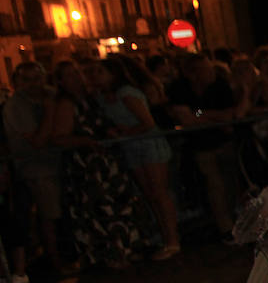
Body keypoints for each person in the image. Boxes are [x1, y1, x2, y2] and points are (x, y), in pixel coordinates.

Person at [49, 61, 151, 270]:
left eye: (76, 73)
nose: (76, 78)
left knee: (119, 205)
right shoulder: (66, 104)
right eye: (69, 75)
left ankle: (127, 248)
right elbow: (59, 137)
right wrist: (86, 141)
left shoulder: (91, 99)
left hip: (107, 163)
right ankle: (110, 253)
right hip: (89, 167)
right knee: (101, 210)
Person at [95, 56, 180, 259]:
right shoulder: (103, 97)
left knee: (159, 192)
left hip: (148, 144)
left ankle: (173, 240)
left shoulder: (126, 93)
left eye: (100, 72)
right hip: (132, 147)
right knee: (149, 194)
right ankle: (163, 235)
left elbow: (148, 123)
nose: (96, 77)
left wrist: (126, 132)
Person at [167, 51, 241, 239]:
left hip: (224, 142)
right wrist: (211, 116)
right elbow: (186, 119)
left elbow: (228, 115)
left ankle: (236, 220)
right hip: (201, 146)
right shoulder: (180, 89)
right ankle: (225, 227)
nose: (210, 73)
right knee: (214, 185)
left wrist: (200, 114)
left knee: (231, 183)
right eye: (204, 70)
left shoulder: (220, 85)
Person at [2, 61, 67, 275]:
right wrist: (50, 114)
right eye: (26, 80)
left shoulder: (52, 95)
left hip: (57, 162)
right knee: (49, 214)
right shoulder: (16, 106)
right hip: (36, 167)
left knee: (57, 212)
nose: (33, 84)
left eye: (37, 78)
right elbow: (37, 141)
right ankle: (55, 261)